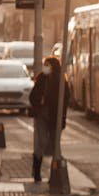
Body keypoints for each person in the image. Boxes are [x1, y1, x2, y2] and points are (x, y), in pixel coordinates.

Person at [29, 55, 69, 183]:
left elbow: (65, 101)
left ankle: (56, 174)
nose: (45, 67)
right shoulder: (41, 79)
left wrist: (62, 119)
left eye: (48, 65)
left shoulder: (62, 82)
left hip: (54, 117)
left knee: (55, 145)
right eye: (44, 64)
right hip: (41, 115)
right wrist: (38, 104)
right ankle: (36, 172)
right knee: (40, 142)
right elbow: (32, 96)